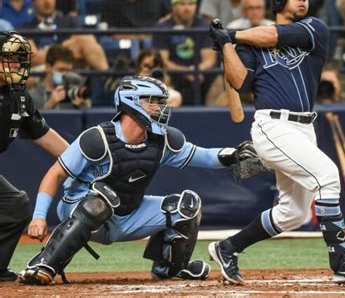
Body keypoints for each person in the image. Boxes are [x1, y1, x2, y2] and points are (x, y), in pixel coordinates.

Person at [207, 0, 345, 284]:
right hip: (273, 125)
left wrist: (231, 34)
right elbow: (240, 82)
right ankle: (342, 262)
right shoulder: (248, 44)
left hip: (303, 129)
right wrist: (226, 47)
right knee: (327, 176)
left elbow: (273, 36)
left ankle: (227, 248)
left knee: (294, 212)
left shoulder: (314, 28)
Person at [18, 75, 260, 285]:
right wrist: (39, 216)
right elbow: (55, 174)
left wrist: (233, 154)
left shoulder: (161, 139)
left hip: (128, 213)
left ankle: (170, 268)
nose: (159, 107)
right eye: (151, 101)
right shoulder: (97, 138)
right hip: (83, 210)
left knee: (187, 206)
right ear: (130, 103)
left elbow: (202, 155)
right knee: (100, 200)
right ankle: (43, 264)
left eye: (160, 102)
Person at [0, 31, 68, 282]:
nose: (17, 64)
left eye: (20, 59)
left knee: (15, 205)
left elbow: (44, 135)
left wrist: (83, 159)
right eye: (9, 58)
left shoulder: (17, 95)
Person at [21, 0, 109, 72]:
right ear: (33, 2)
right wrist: (65, 48)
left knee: (87, 39)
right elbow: (34, 58)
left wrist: (49, 52)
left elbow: (81, 49)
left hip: (69, 69)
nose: (47, 1)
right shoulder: (27, 27)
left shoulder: (69, 22)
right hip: (42, 72)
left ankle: (109, 78)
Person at [155, 0, 216, 105]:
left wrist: (196, 71)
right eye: (182, 4)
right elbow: (163, 61)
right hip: (173, 77)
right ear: (173, 6)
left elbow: (209, 59)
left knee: (219, 76)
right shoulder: (162, 28)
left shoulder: (204, 27)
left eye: (191, 4)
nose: (187, 8)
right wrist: (186, 72)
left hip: (201, 76)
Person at [28, 44, 90, 110]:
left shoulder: (74, 91)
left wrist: (82, 107)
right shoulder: (31, 97)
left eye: (68, 70)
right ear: (48, 67)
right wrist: (49, 105)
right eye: (61, 70)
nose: (65, 74)